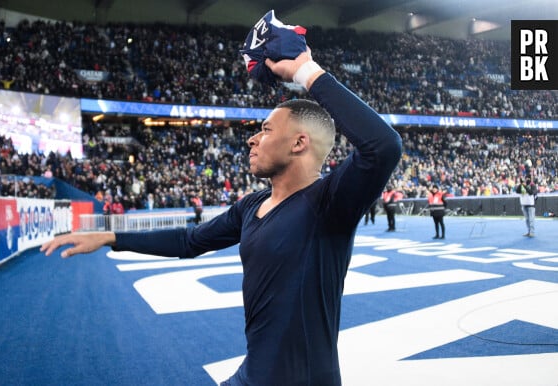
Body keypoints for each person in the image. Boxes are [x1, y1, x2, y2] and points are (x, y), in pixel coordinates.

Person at [41, 47, 402, 385]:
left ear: (299, 143)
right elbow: (189, 240)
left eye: (265, 130)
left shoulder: (329, 203)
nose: (252, 139)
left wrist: (304, 71)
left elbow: (383, 145)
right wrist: (112, 237)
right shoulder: (250, 206)